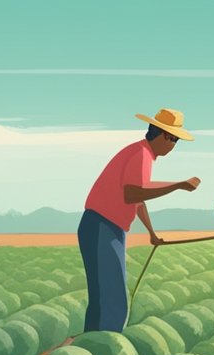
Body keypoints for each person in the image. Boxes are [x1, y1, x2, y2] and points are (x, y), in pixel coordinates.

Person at [77, 107, 200, 332]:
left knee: (102, 298)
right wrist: (178, 185)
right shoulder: (141, 155)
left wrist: (152, 234)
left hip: (102, 227)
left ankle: (92, 345)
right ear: (162, 135)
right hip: (102, 226)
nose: (173, 145)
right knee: (113, 301)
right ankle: (104, 349)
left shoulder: (142, 153)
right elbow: (133, 194)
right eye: (173, 139)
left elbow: (137, 201)